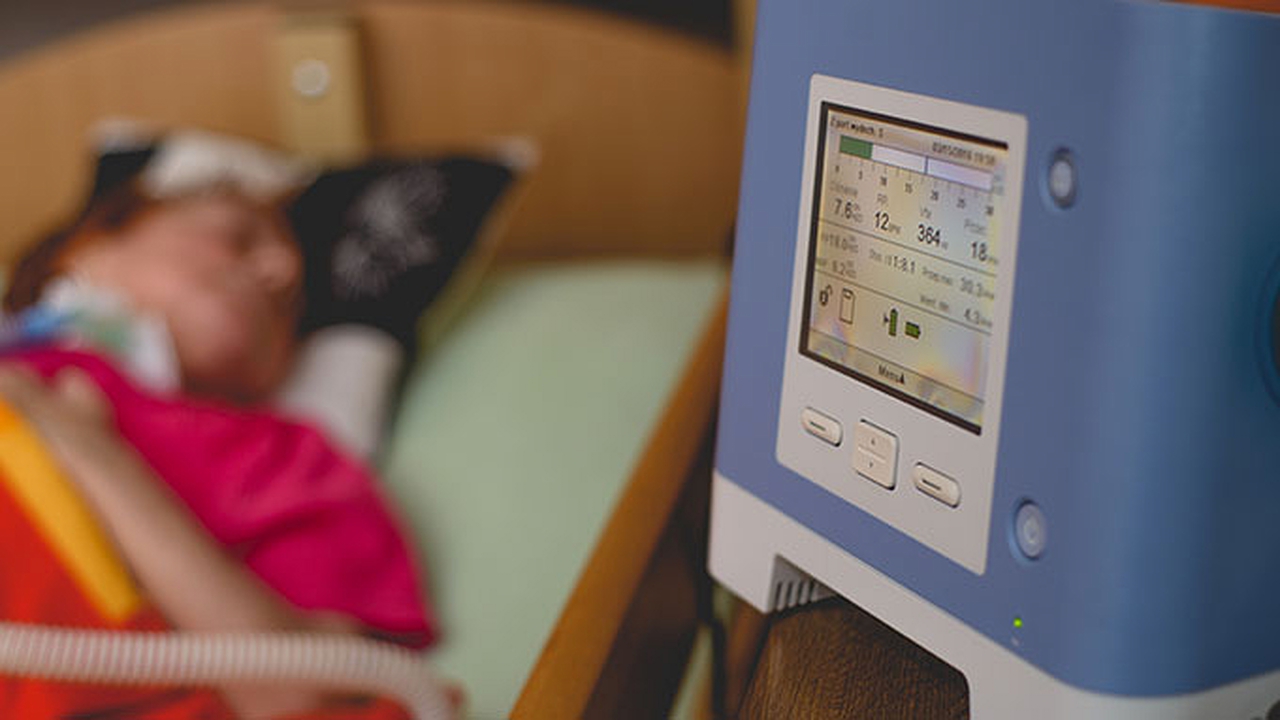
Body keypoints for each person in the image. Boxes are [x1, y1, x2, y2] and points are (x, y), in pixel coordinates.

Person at [0, 183, 446, 719]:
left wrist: (88, 449)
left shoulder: (291, 463)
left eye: (292, 309)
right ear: (87, 246)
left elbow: (304, 689)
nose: (279, 270)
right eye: (238, 238)